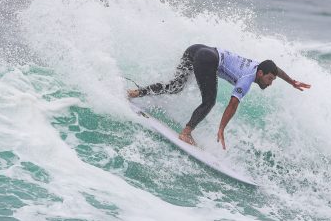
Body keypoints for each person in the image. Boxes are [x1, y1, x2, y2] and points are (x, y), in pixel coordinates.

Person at [128, 44, 311, 149]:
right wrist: (222, 128)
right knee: (209, 101)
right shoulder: (247, 79)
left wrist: (292, 81)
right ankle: (185, 133)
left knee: (176, 86)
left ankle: (135, 93)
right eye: (270, 79)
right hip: (208, 59)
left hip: (197, 49)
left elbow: (277, 69)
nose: (270, 83)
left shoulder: (260, 66)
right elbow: (232, 104)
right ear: (261, 73)